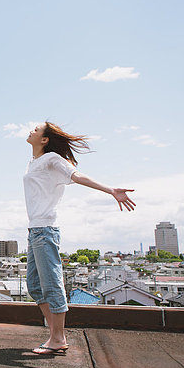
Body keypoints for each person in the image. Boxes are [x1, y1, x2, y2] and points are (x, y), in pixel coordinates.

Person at [24, 121, 135, 355]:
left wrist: (111, 190)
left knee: (52, 285)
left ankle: (57, 338)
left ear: (45, 139)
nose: (31, 130)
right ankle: (55, 332)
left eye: (36, 129)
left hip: (46, 231)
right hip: (35, 230)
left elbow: (77, 176)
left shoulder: (53, 158)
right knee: (34, 286)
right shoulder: (34, 162)